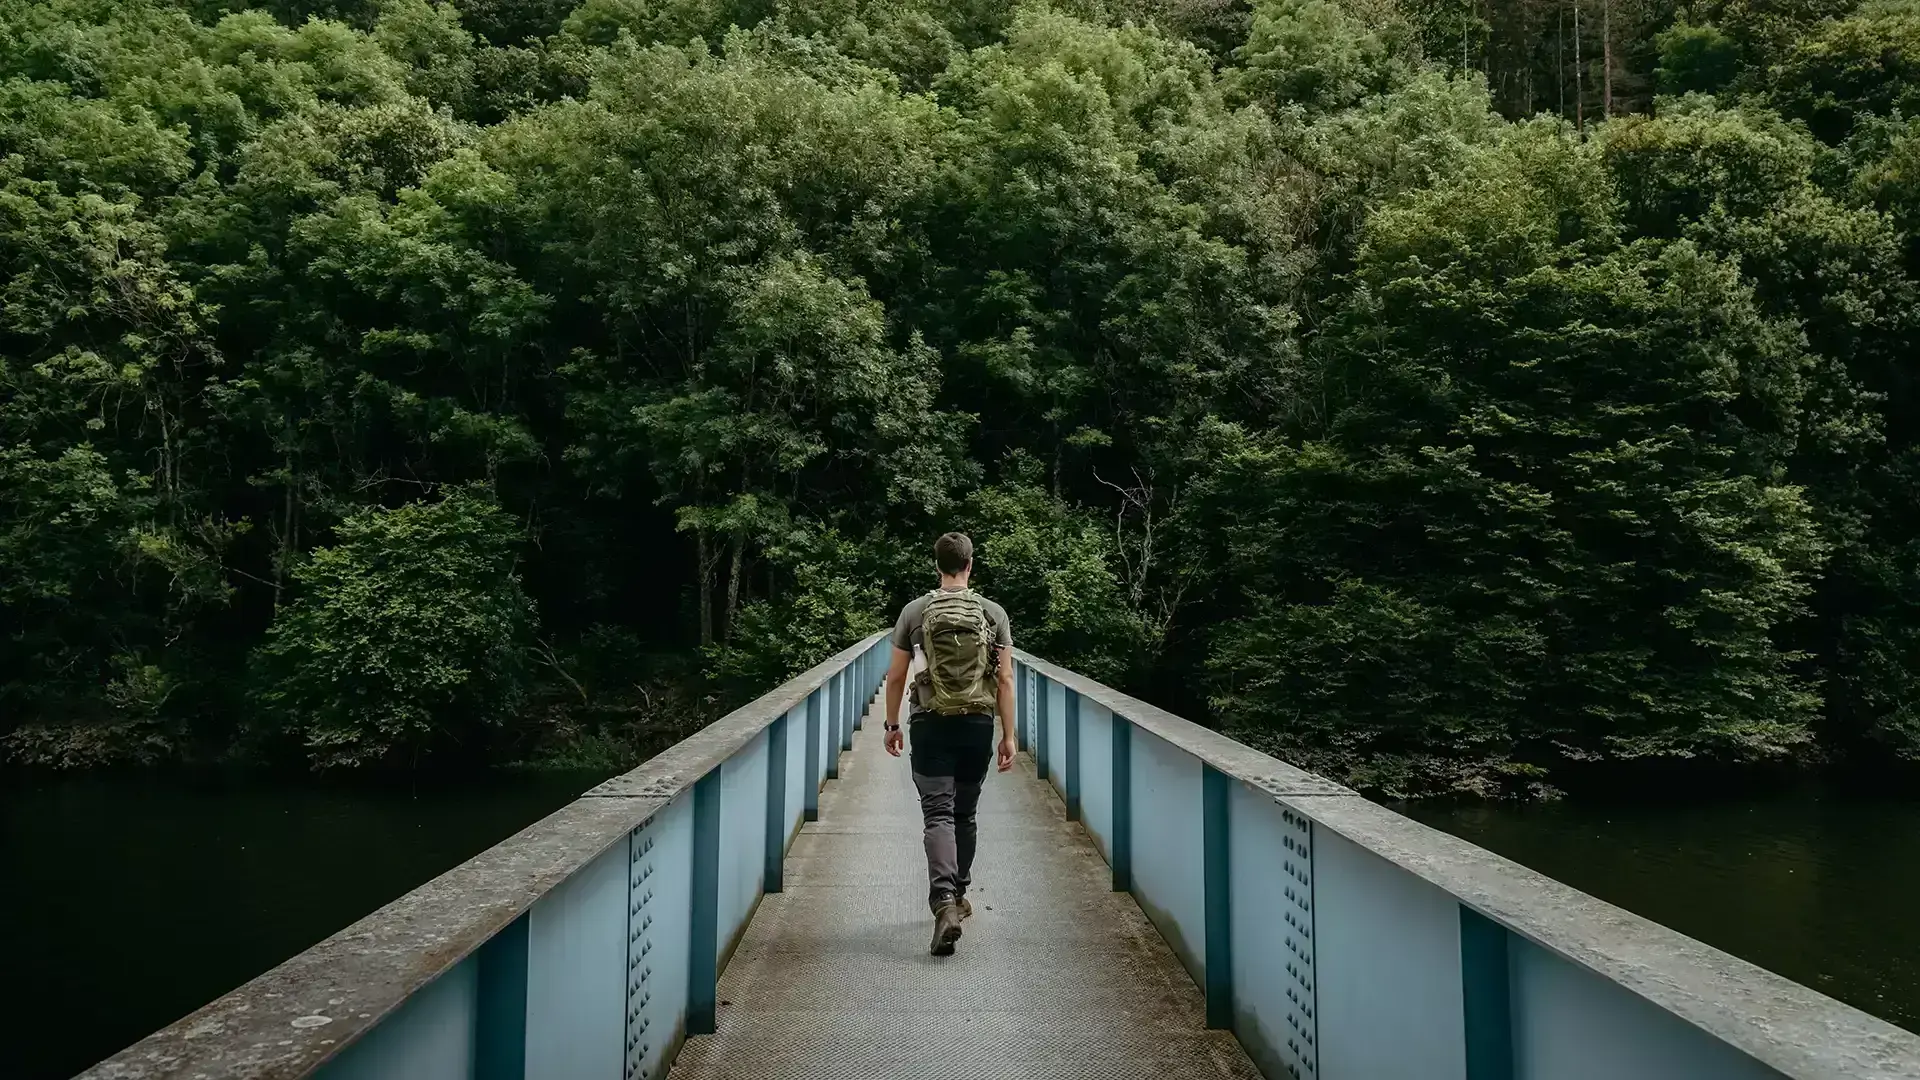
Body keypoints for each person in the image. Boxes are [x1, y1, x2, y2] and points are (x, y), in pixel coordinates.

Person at [883, 531, 1017, 956]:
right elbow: (1006, 679)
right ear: (970, 564)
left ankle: (942, 901)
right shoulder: (993, 613)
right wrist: (1009, 735)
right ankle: (958, 896)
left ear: (937, 565)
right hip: (977, 724)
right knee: (965, 812)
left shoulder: (914, 612)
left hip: (929, 722)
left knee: (937, 813)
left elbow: (896, 677)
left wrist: (891, 725)